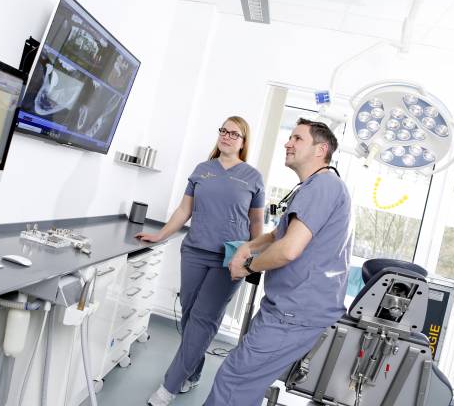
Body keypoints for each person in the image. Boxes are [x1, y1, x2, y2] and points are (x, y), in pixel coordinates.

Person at [203, 118, 352, 406]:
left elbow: (289, 250)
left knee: (233, 381)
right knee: (245, 385)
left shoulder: (323, 186)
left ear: (320, 150)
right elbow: (278, 235)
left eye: (297, 139)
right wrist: (249, 246)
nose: (287, 143)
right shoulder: (315, 186)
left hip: (294, 313)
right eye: (290, 137)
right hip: (289, 308)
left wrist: (246, 266)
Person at [136, 116, 265, 406]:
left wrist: (253, 258)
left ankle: (169, 387)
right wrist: (160, 235)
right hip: (194, 252)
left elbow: (257, 223)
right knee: (189, 315)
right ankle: (193, 372)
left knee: (203, 321)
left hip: (228, 260)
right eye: (223, 131)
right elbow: (184, 210)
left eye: (234, 133)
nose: (227, 136)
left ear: (243, 142)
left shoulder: (252, 177)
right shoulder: (202, 170)